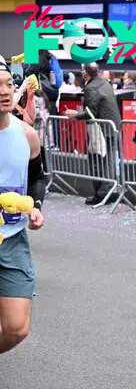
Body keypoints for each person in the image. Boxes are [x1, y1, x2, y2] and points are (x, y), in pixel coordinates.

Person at [0, 57, 46, 354]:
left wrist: (37, 205)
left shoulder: (27, 134)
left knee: (17, 328)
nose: (5, 91)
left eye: (8, 84)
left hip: (13, 239)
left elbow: (37, 179)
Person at [64, 63, 122, 206]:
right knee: (108, 160)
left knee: (98, 161)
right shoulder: (104, 83)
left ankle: (102, 194)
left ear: (85, 73)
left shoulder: (91, 88)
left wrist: (74, 114)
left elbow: (90, 113)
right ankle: (109, 191)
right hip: (112, 127)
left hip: (101, 130)